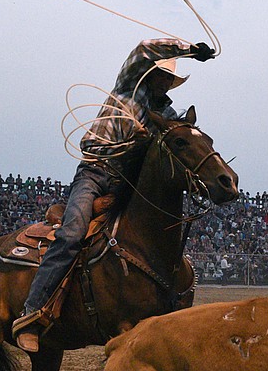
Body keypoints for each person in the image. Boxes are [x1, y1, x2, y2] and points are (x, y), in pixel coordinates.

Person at [12, 38, 216, 353]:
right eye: (161, 73)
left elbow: (181, 138)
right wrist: (188, 50)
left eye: (168, 77)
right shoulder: (128, 89)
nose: (164, 81)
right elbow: (144, 47)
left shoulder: (165, 113)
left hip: (126, 182)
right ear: (149, 73)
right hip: (95, 172)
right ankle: (33, 312)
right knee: (72, 233)